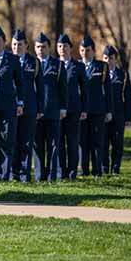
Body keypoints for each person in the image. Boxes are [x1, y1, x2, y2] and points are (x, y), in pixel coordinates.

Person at [0, 26, 24, 181]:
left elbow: (20, 83)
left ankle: (5, 173)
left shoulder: (12, 60)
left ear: (4, 42)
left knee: (6, 139)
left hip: (7, 105)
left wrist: (20, 103)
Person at [33, 33, 67, 182]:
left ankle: (52, 176)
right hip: (36, 112)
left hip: (53, 111)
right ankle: (40, 175)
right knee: (38, 146)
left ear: (49, 47)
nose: (41, 50)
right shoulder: (31, 64)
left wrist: (63, 108)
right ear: (34, 48)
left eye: (44, 47)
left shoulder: (58, 65)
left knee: (53, 146)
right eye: (38, 47)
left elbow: (63, 88)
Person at [11, 30, 43, 182]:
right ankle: (13, 172)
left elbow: (40, 87)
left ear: (26, 46)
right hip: (11, 107)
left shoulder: (34, 62)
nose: (17, 47)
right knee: (12, 141)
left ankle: (24, 173)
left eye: (20, 44)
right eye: (14, 44)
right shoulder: (7, 60)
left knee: (27, 141)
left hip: (30, 108)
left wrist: (40, 108)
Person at [78, 36, 112, 177]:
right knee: (83, 142)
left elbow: (108, 91)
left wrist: (109, 111)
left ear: (93, 51)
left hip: (97, 110)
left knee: (97, 142)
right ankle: (84, 170)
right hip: (81, 111)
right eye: (82, 50)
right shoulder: (77, 66)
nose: (85, 52)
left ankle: (97, 170)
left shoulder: (102, 67)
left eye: (87, 50)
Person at [57, 34, 87, 180]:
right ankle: (61, 171)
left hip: (74, 109)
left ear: (70, 48)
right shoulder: (54, 65)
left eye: (65, 46)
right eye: (60, 46)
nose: (63, 49)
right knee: (59, 142)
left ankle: (72, 172)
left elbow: (85, 90)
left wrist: (84, 109)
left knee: (73, 141)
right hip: (57, 110)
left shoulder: (78, 66)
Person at [103, 45, 131, 175]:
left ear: (115, 59)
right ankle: (104, 168)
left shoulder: (123, 75)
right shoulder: (100, 73)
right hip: (103, 114)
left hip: (119, 114)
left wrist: (128, 117)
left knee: (117, 143)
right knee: (103, 142)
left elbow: (128, 97)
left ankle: (115, 169)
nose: (108, 61)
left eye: (110, 58)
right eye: (105, 58)